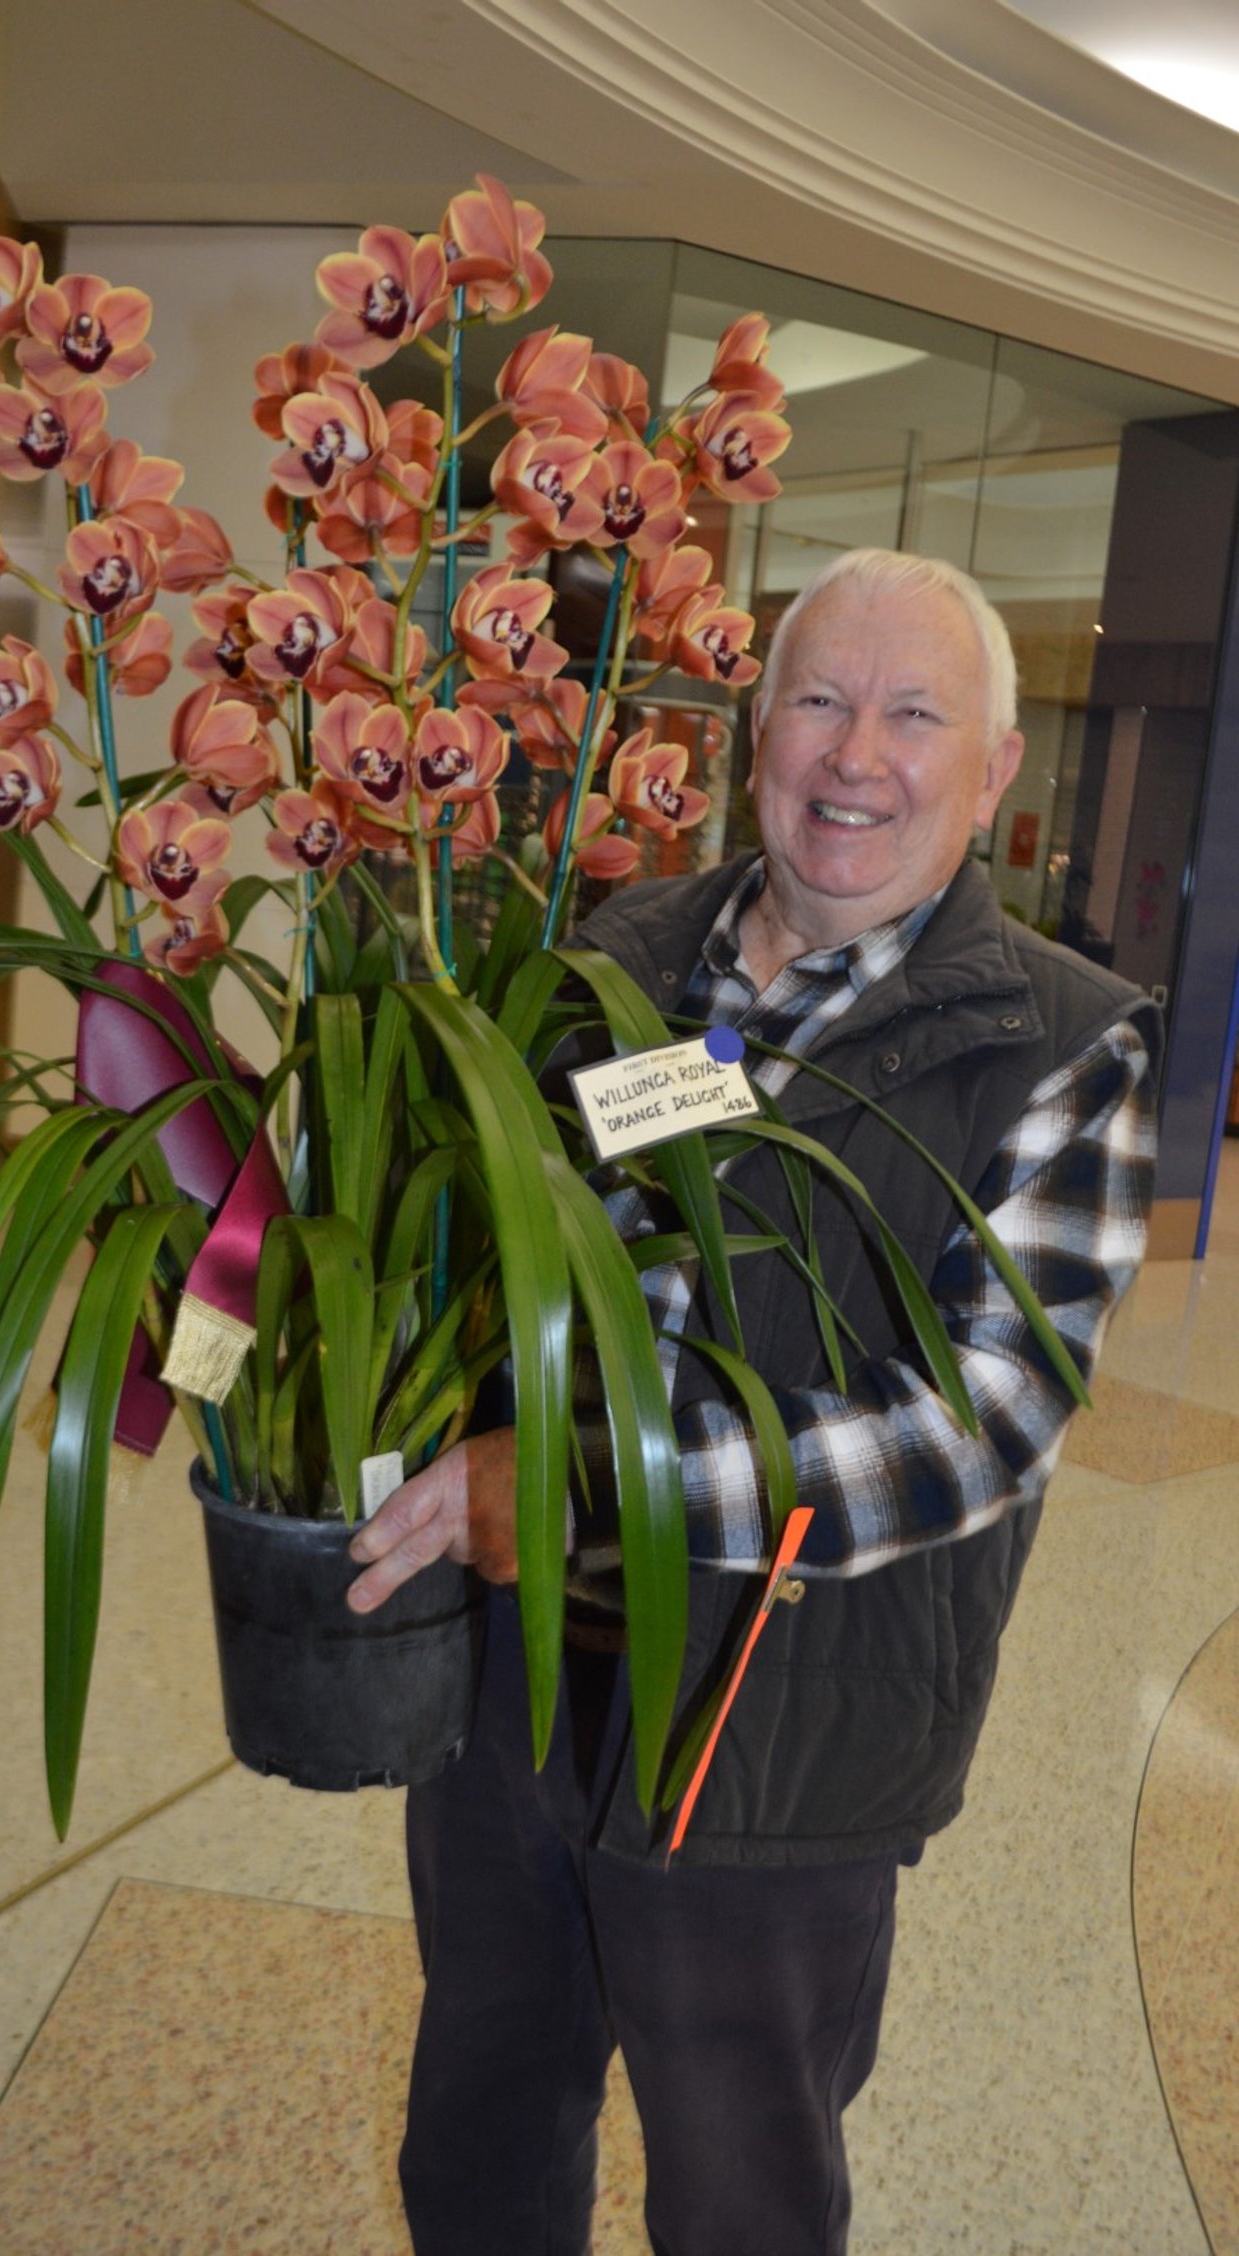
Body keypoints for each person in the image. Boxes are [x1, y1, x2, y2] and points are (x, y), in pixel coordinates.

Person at [346, 549, 1161, 2256]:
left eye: (916, 713)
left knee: (742, 2184)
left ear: (994, 770)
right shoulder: (613, 957)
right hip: (513, 1684)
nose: (856, 754)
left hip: (781, 1724)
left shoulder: (1065, 1048)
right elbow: (471, 1262)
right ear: (754, 733)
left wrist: (583, 1487)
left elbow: (975, 1431)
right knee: (482, 2117)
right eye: (818, 698)